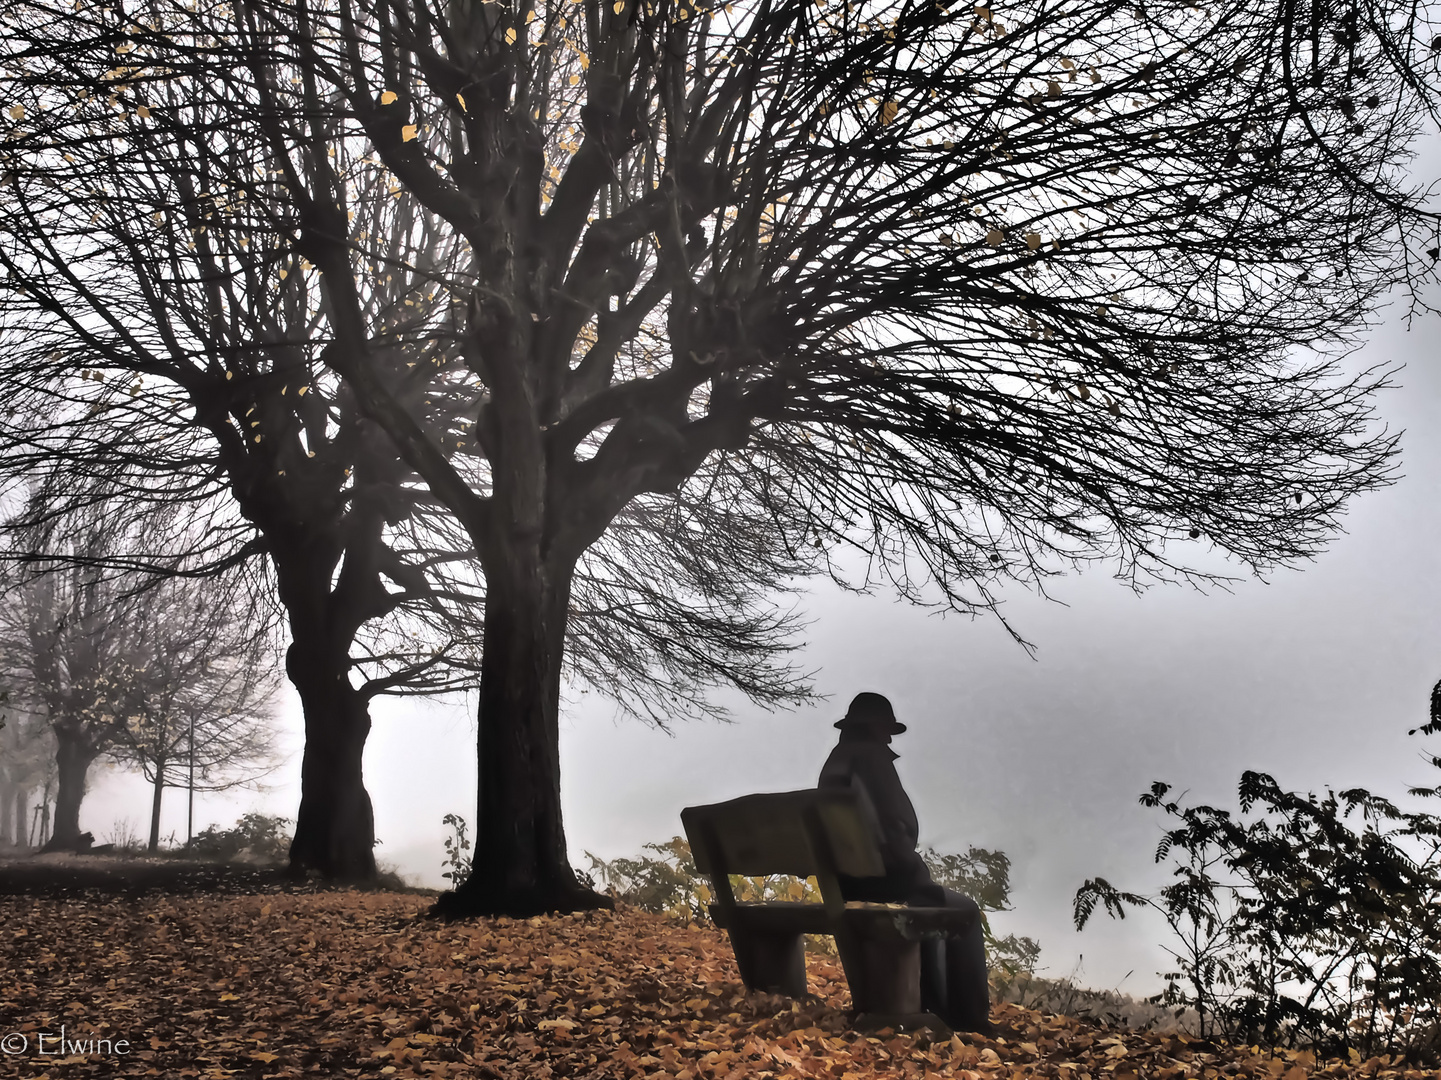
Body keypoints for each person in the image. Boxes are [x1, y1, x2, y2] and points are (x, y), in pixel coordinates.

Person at [818, 691, 995, 1035]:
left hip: (847, 883)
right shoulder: (872, 760)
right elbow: (896, 827)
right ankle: (970, 1019)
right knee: (966, 911)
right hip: (885, 882)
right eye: (886, 727)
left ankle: (937, 1005)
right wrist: (912, 868)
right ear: (873, 727)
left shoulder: (835, 763)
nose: (889, 736)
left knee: (931, 906)